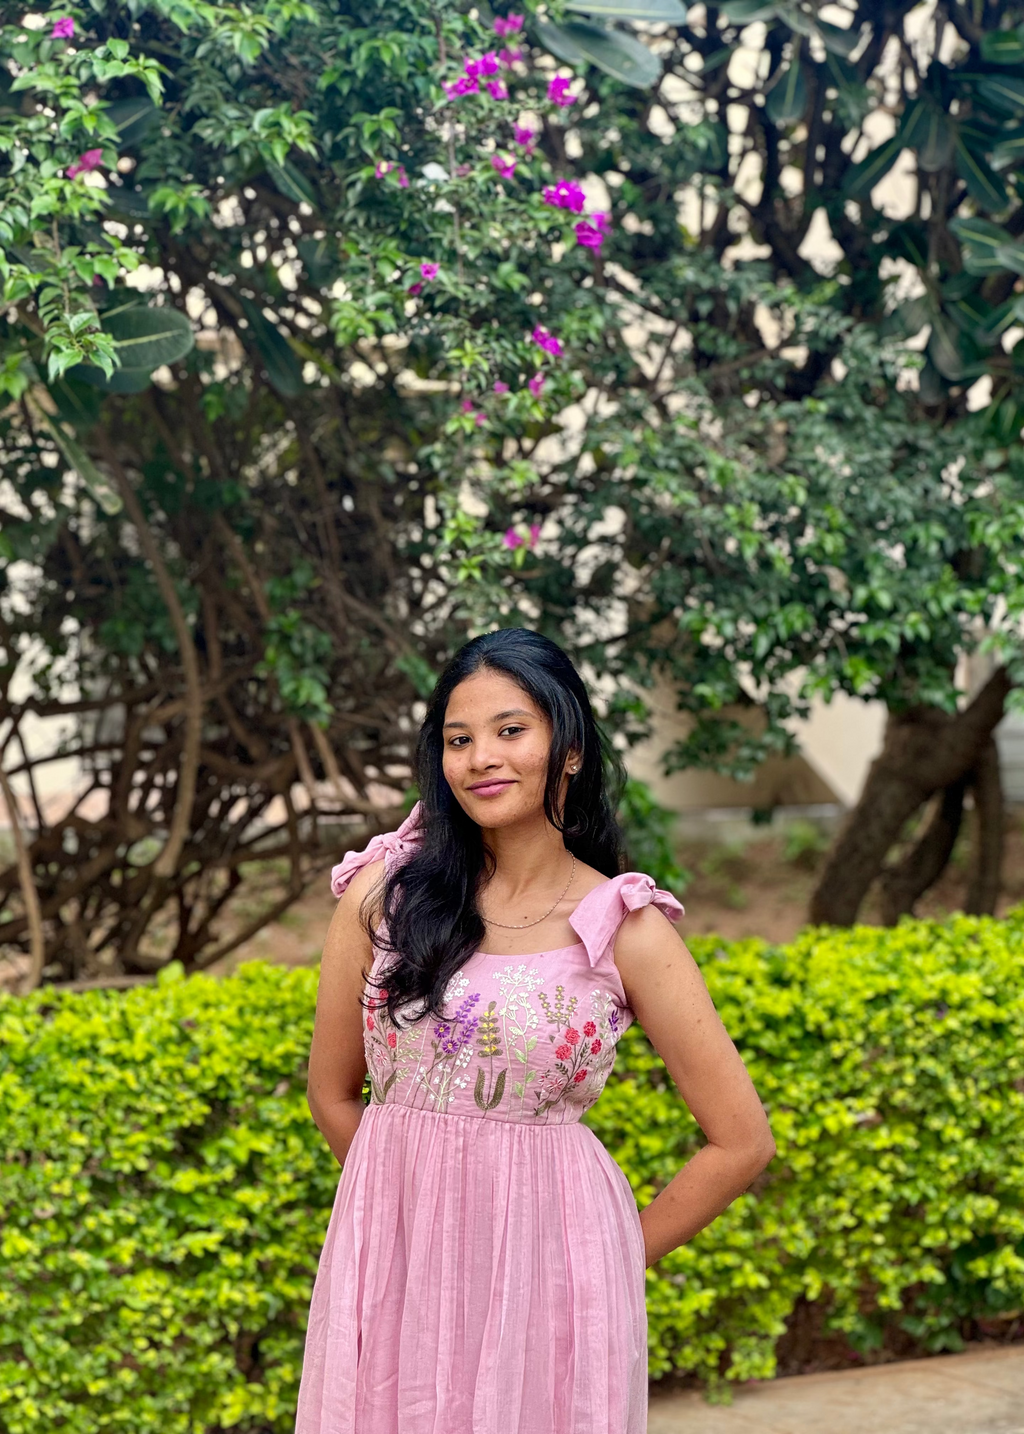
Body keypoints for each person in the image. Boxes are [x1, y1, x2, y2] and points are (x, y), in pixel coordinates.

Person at [295, 628, 775, 1434]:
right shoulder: (384, 896)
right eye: (458, 738)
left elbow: (741, 1141)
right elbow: (332, 1093)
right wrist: (414, 1220)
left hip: (552, 1296)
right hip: (394, 1276)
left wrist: (601, 1261)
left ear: (571, 748)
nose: (482, 756)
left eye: (511, 731)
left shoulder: (625, 928)